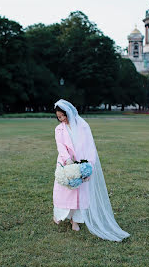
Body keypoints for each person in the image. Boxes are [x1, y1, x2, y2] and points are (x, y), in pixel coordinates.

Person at [53, 99, 130, 241]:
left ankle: (75, 220)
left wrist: (88, 167)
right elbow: (61, 146)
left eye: (63, 116)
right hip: (66, 162)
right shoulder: (59, 129)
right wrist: (68, 160)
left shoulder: (83, 126)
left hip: (81, 162)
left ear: (69, 113)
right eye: (59, 117)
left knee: (79, 192)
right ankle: (60, 215)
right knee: (64, 190)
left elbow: (90, 147)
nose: (62, 119)